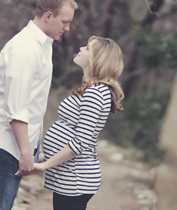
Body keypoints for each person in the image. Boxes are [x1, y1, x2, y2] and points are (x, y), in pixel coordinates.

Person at [0, 0, 77, 210]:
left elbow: (33, 105)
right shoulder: (25, 48)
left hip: (13, 146)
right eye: (64, 21)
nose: (67, 28)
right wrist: (25, 152)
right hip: (6, 145)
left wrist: (33, 149)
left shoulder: (42, 46)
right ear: (48, 16)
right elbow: (17, 107)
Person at [33, 36, 124, 210]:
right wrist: (44, 156)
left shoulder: (95, 93)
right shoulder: (94, 90)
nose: (81, 48)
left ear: (99, 59)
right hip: (69, 176)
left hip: (75, 178)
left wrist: (44, 165)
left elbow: (81, 142)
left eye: (88, 48)